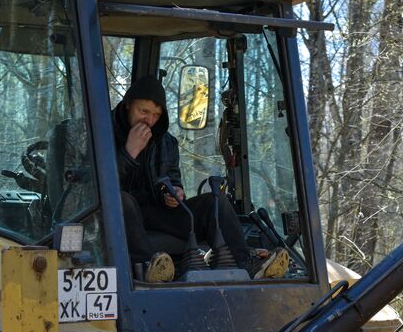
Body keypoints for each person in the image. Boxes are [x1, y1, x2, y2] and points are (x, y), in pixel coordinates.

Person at [111, 75, 287, 281]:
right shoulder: (101, 133)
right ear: (128, 104)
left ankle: (245, 264)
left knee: (216, 202)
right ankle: (148, 268)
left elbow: (172, 180)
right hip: (120, 217)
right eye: (143, 111)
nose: (149, 121)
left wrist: (174, 193)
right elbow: (95, 188)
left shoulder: (166, 142)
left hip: (159, 215)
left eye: (156, 115)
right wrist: (130, 152)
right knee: (121, 199)